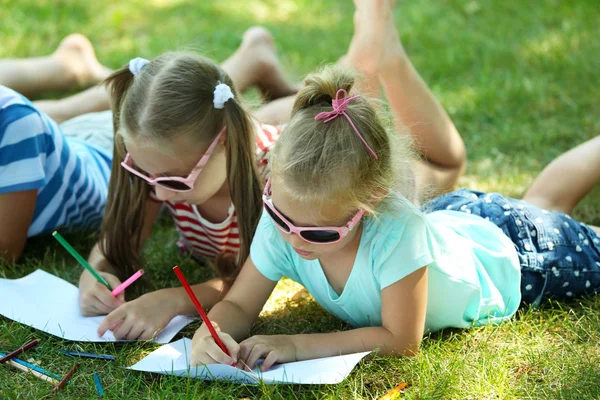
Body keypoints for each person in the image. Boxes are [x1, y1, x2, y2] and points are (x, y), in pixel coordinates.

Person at [187, 6, 599, 370]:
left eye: (318, 232)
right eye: (278, 215)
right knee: (543, 202)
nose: (292, 237)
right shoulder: (290, 216)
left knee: (553, 218)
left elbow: (400, 341)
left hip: (517, 256)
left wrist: (296, 344)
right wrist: (214, 331)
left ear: (370, 206)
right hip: (458, 222)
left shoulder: (397, 232)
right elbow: (240, 304)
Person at [91, 8, 466, 341]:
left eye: (173, 180)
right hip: (264, 136)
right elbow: (118, 238)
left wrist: (175, 300)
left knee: (436, 169)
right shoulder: (158, 166)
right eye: (140, 172)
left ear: (222, 144)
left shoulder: (285, 188)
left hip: (319, 167)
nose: (155, 192)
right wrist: (96, 270)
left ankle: (377, 59)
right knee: (302, 111)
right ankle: (270, 59)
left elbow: (244, 282)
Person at [0, 34, 114, 263]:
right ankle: (69, 65)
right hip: (59, 139)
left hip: (108, 155)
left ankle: (119, 84)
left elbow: (6, 251)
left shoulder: (17, 123)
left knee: (144, 104)